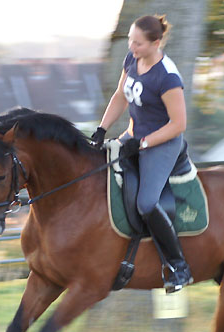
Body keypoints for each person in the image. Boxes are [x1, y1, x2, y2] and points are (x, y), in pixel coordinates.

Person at [91, 14, 192, 293]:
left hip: (162, 143)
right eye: (130, 41)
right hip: (134, 136)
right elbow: (121, 96)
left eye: (138, 43)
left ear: (156, 42)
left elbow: (179, 124)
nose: (132, 47)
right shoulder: (131, 60)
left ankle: (178, 266)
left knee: (147, 203)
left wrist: (144, 143)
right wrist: (102, 128)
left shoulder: (167, 77)